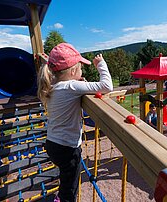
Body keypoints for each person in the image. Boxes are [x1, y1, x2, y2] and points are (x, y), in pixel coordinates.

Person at [37, 43, 113, 202]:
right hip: (68, 149)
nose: (82, 72)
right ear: (72, 72)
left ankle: (61, 196)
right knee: (70, 189)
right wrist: (101, 64)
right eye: (80, 69)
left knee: (65, 180)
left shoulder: (54, 85)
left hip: (53, 144)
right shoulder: (72, 86)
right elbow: (107, 86)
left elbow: (73, 86)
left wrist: (81, 80)